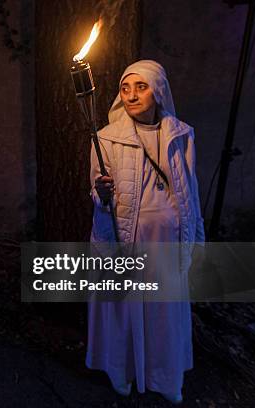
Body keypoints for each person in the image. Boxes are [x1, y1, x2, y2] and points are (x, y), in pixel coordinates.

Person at [86, 60, 205, 404]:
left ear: (159, 89)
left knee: (163, 309)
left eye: (141, 87)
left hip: (165, 239)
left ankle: (165, 376)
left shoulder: (181, 134)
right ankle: (121, 370)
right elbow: (96, 190)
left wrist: (195, 235)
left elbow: (190, 189)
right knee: (124, 307)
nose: (133, 95)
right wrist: (101, 192)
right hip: (127, 234)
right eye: (126, 88)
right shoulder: (106, 138)